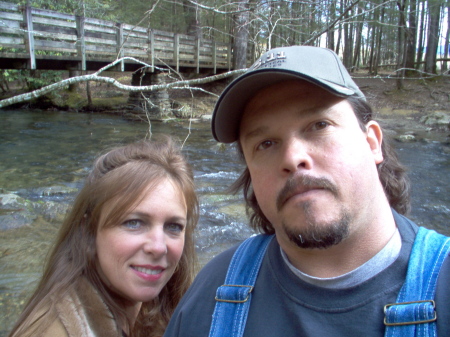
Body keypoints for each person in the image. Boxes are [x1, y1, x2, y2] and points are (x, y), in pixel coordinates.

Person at [163, 46, 450, 336]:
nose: (292, 157)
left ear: (372, 142)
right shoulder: (209, 297)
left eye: (319, 125)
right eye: (266, 143)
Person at [9, 136, 199, 337]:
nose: (159, 247)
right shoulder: (52, 330)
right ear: (88, 230)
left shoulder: (161, 310)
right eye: (133, 223)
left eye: (173, 226)